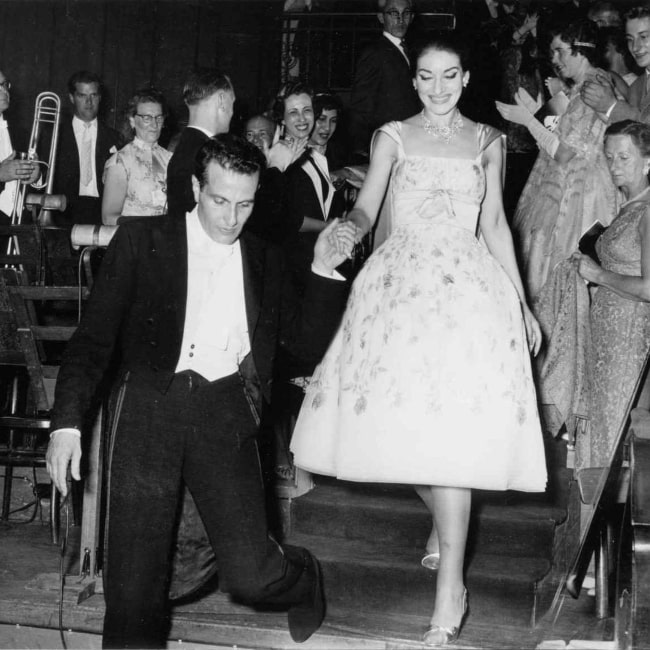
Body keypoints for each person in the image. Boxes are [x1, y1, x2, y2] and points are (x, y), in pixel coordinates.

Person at [46, 134, 353, 648]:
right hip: (148, 407)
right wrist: (67, 424)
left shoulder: (265, 257)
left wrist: (323, 268)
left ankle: (302, 577)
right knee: (134, 588)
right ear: (194, 188)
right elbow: (93, 340)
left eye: (245, 203)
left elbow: (299, 347)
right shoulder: (143, 241)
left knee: (252, 573)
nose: (232, 217)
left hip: (224, 407)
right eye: (219, 200)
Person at [290, 34, 547, 646]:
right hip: (399, 291)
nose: (436, 87)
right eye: (426, 76)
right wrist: (346, 231)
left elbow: (494, 226)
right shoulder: (392, 137)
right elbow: (367, 210)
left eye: (448, 76)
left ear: (464, 79)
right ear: (416, 81)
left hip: (467, 295)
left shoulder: (489, 141)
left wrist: (520, 301)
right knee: (396, 425)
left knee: (453, 436)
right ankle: (444, 526)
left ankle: (448, 589)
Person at [496, 19, 619, 305]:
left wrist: (528, 121)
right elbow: (559, 134)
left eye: (559, 51)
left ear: (580, 50)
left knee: (559, 265)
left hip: (580, 192)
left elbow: (564, 152)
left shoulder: (594, 86)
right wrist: (537, 112)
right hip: (563, 182)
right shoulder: (580, 87)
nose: (554, 59)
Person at [271, 91, 347, 481]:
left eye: (307, 112)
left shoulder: (312, 157)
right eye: (294, 113)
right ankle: (288, 454)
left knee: (308, 362)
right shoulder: (279, 159)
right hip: (287, 269)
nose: (303, 119)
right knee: (290, 365)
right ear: (281, 119)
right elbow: (283, 219)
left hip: (309, 268)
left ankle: (305, 452)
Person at [571, 120, 650, 469]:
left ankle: (615, 518)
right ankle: (599, 517)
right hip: (606, 335)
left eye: (624, 157)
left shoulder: (647, 212)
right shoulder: (629, 206)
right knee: (603, 425)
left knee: (618, 427)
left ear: (648, 161)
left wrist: (598, 274)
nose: (615, 166)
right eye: (610, 157)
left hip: (628, 339)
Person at [348, 0, 420, 157]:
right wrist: (362, 150)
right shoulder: (375, 53)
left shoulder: (409, 50)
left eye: (406, 13)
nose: (401, 20)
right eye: (394, 13)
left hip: (407, 142)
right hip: (387, 145)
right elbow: (360, 106)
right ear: (381, 17)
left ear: (412, 17)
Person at [54, 71, 121, 227]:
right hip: (63, 214)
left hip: (102, 214)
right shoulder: (54, 135)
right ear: (71, 98)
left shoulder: (115, 138)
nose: (89, 102)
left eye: (94, 95)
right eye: (82, 96)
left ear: (100, 98)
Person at [166, 69, 234, 217]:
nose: (233, 112)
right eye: (232, 102)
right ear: (221, 100)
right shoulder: (208, 153)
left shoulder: (185, 146)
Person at [102, 87, 172, 225]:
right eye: (147, 118)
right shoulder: (121, 161)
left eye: (158, 117)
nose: (154, 124)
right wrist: (151, 226)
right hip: (134, 240)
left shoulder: (171, 158)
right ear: (133, 121)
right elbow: (109, 218)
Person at [582, 5, 650, 125]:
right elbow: (634, 137)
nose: (635, 47)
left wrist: (611, 106)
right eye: (630, 39)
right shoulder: (636, 87)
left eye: (643, 37)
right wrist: (603, 110)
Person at [0, 69, 38, 221]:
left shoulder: (21, 133)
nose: (4, 90)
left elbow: (34, 187)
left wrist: (36, 177)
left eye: (4, 84)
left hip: (19, 220)